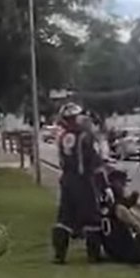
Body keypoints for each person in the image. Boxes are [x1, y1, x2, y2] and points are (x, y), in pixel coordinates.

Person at [52, 102, 105, 264]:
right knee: (91, 218)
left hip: (67, 180)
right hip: (83, 181)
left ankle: (59, 255)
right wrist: (103, 184)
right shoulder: (85, 137)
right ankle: (93, 256)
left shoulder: (62, 137)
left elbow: (62, 162)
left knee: (64, 218)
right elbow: (94, 162)